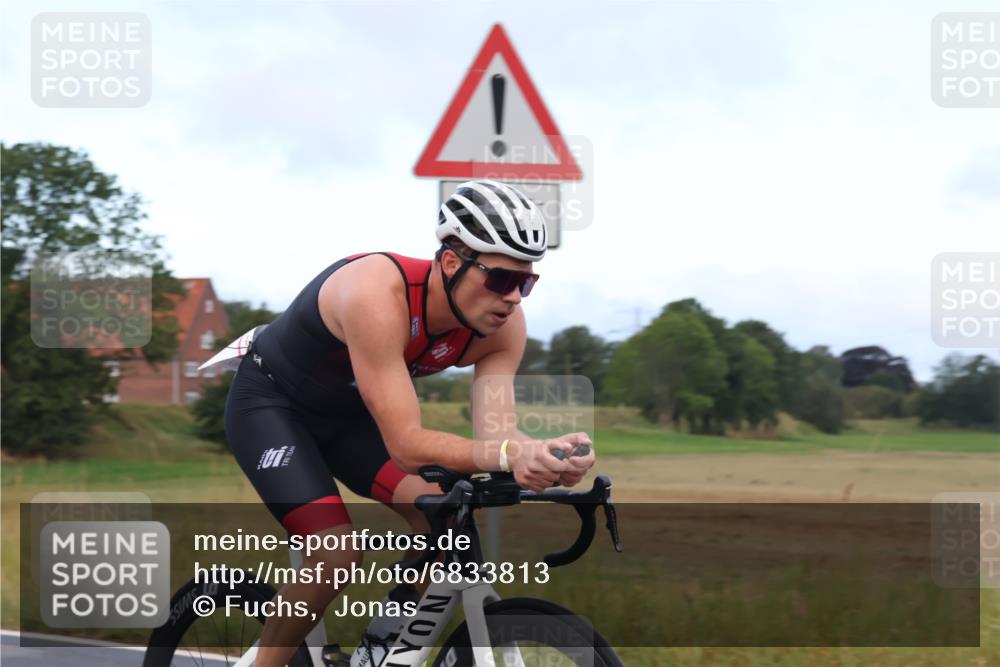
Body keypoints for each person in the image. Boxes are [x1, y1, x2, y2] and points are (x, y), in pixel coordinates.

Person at [223, 179, 596, 667]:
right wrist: (510, 455)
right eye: (502, 280)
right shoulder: (377, 293)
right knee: (336, 554)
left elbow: (499, 436)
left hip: (347, 418)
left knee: (442, 520)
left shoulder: (503, 328)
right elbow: (406, 444)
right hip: (271, 407)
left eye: (526, 283)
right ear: (450, 263)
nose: (514, 298)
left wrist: (543, 456)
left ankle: (378, 654)